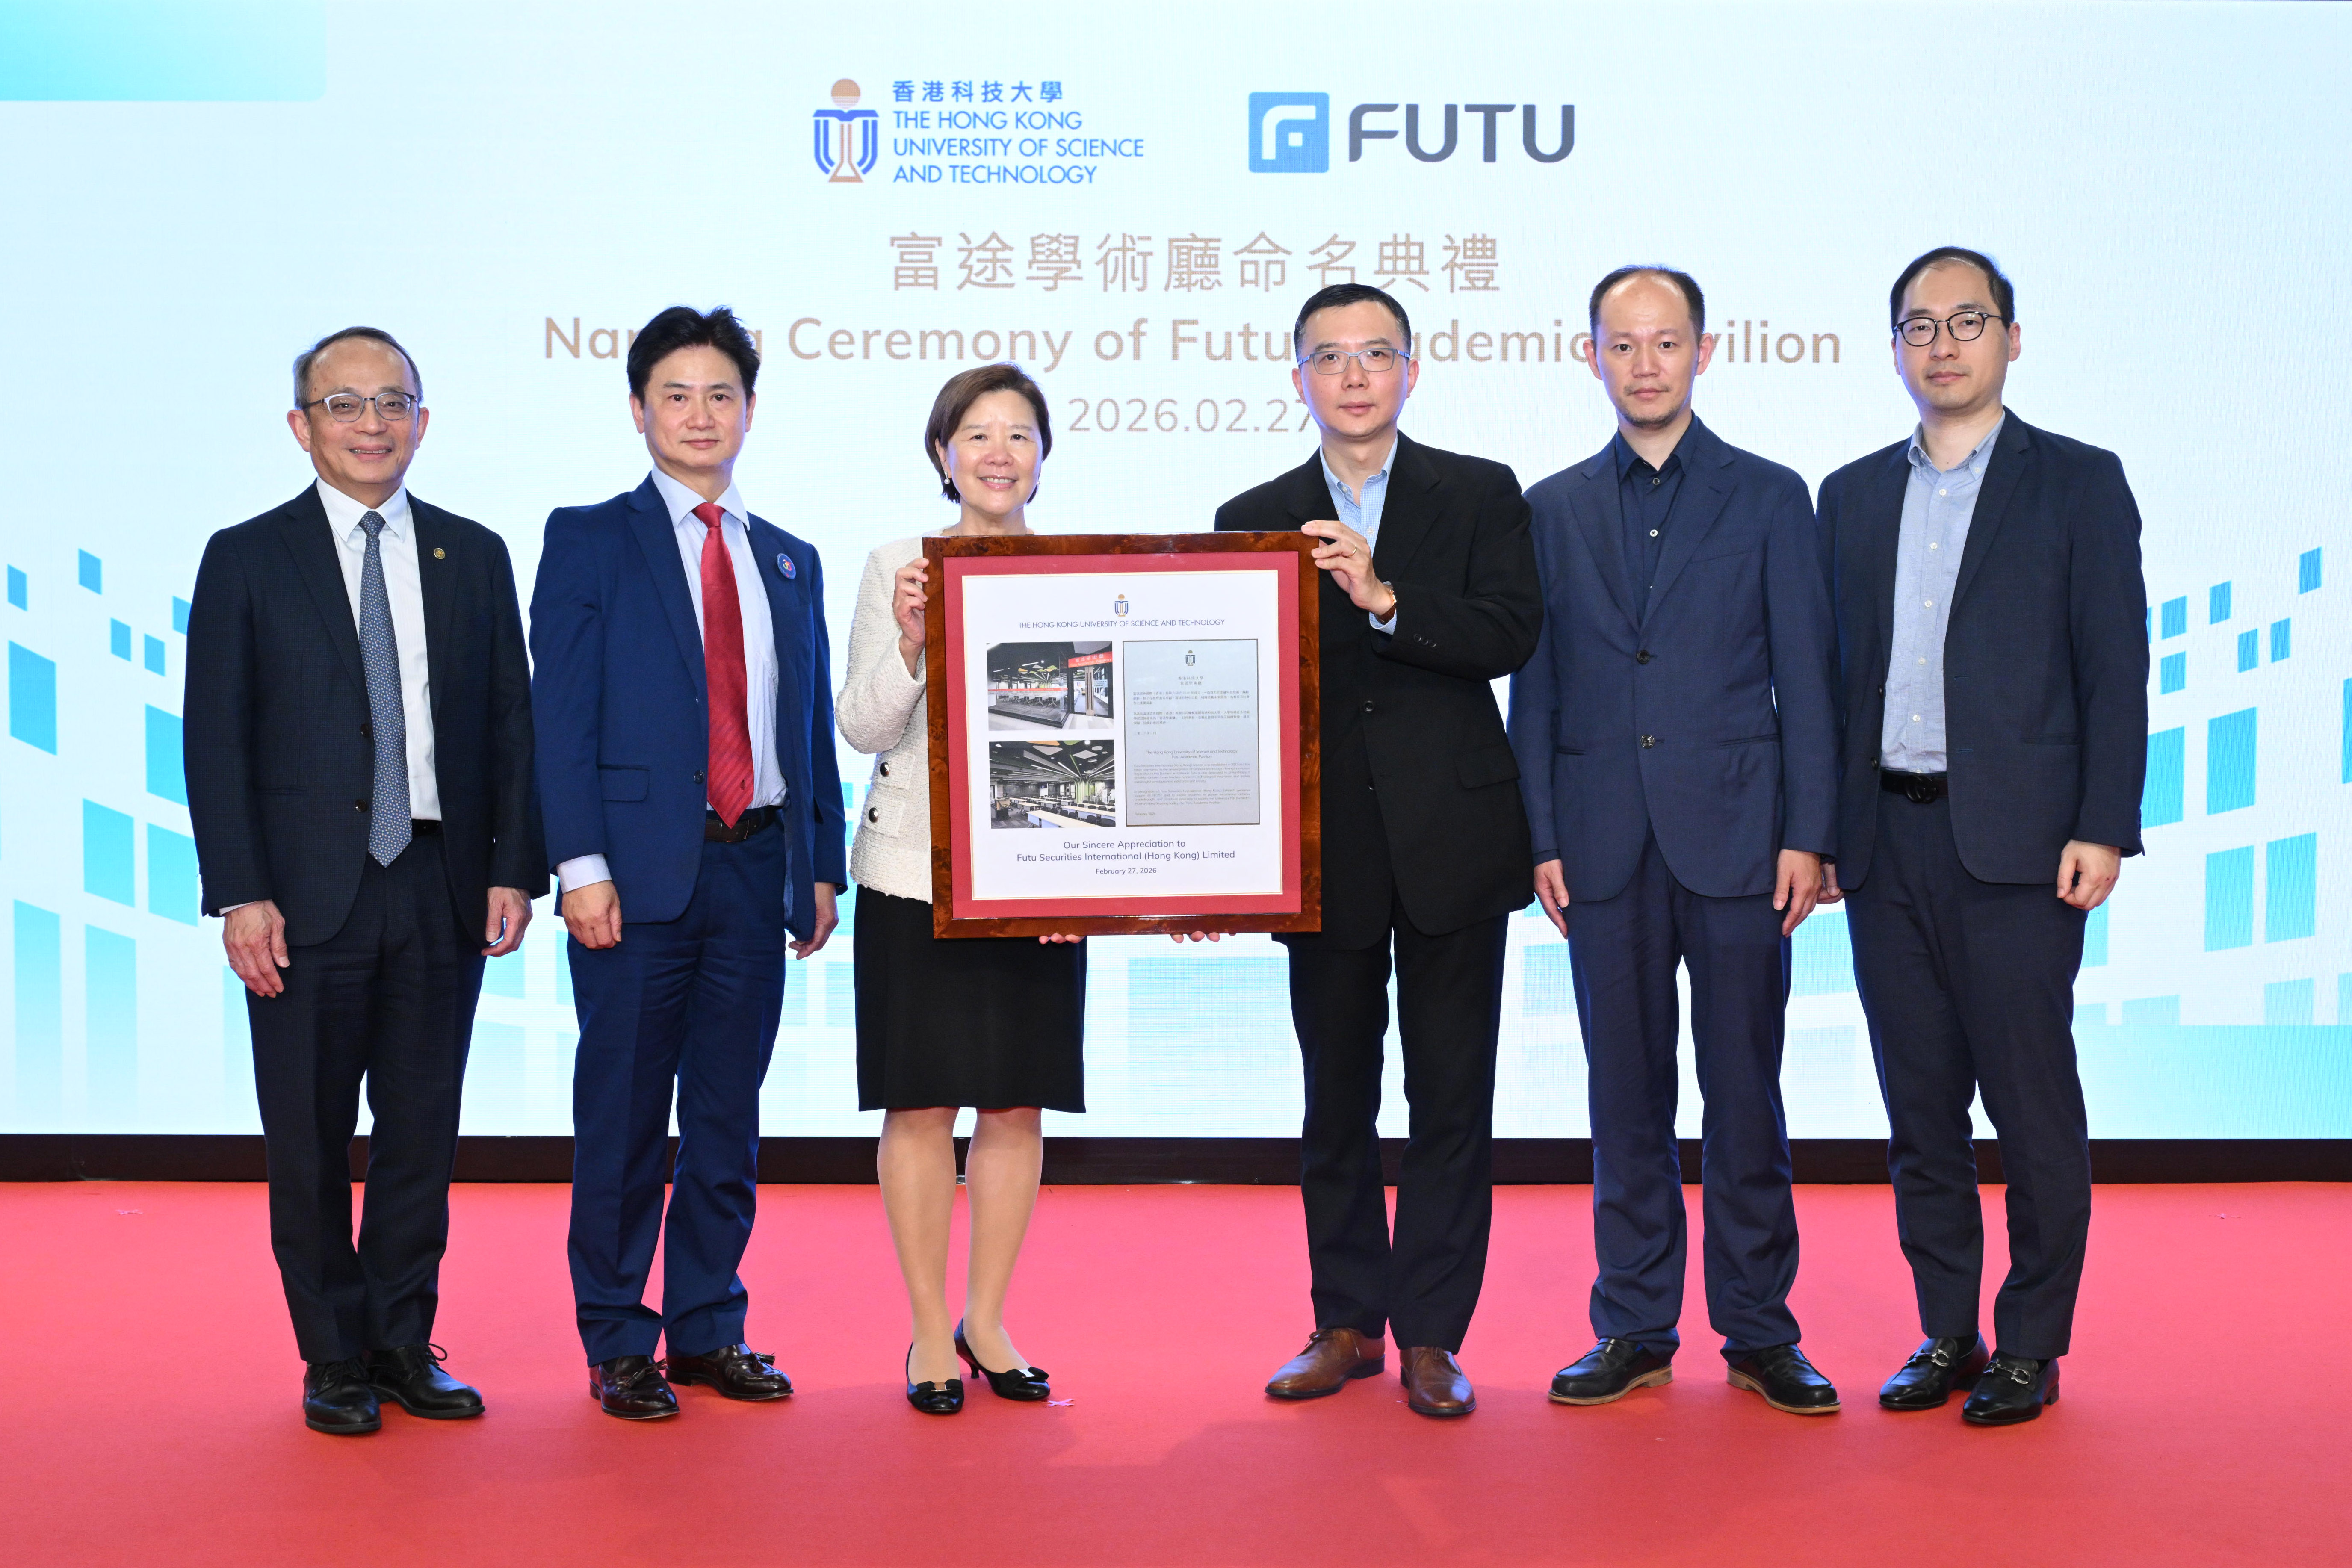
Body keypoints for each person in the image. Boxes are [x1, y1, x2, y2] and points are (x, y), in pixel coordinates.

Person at [183, 327, 544, 1435]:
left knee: (421, 1132)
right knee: (306, 1131)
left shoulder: (472, 554)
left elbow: (506, 726)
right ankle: (331, 1351)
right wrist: (240, 888)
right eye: (346, 405)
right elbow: (216, 739)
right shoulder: (247, 556)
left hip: (437, 879)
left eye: (394, 403)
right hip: (299, 899)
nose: (373, 424)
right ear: (302, 427)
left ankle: (399, 1338)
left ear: (423, 421)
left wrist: (510, 871)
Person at [1817, 247, 2146, 1425]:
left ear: (2012, 337)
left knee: (2031, 1105)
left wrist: (2105, 823)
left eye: (1967, 321)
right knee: (1918, 1113)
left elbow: (2113, 669)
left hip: (2014, 848)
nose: (1942, 344)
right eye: (1918, 325)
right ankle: (1947, 1328)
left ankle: (2032, 1341)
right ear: (1894, 345)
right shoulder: (1848, 495)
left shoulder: (2076, 483)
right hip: (1883, 842)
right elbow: (1829, 684)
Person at [1507, 268, 1842, 1417]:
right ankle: (1634, 1323)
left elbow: (1807, 673)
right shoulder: (1548, 508)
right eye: (1622, 345)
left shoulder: (1767, 495)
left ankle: (1758, 1328)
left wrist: (1810, 830)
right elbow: (1535, 688)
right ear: (1589, 357)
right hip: (1600, 844)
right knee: (1625, 1095)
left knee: (1745, 1089)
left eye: (1665, 343)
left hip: (1746, 838)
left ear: (1705, 353)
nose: (1643, 364)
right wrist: (1539, 833)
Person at [1215, 283, 1541, 1418]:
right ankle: (1345, 1320)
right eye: (1328, 357)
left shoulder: (1481, 491)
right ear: (1295, 376)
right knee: (1335, 1097)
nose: (1353, 376)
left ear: (1412, 371)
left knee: (1451, 1098)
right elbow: (1231, 699)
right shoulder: (1251, 514)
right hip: (1323, 848)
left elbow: (1512, 631)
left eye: (1375, 355)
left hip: (1454, 833)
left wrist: (1385, 596)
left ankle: (1434, 1336)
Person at [529, 305, 846, 1420]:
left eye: (721, 395)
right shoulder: (589, 539)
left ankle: (710, 1324)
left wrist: (819, 863)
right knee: (621, 1112)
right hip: (635, 875)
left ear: (750, 411)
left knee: (725, 1112)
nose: (700, 414)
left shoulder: (790, 560)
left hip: (755, 868)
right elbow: (557, 720)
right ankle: (617, 1335)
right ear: (636, 409)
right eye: (676, 394)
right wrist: (577, 865)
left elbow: (801, 728)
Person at [837, 363, 1083, 1416]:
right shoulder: (898, 563)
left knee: (1016, 1101)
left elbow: (1088, 745)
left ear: (1042, 453)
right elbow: (863, 725)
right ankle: (929, 1330)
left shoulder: (1078, 572)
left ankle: (989, 1318)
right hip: (914, 878)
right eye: (974, 434)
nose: (996, 451)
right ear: (942, 454)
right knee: (922, 1100)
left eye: (1017, 434)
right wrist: (909, 641)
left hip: (1040, 878)